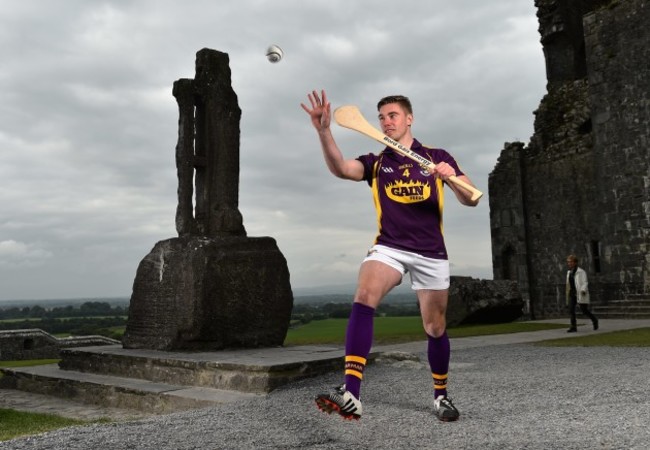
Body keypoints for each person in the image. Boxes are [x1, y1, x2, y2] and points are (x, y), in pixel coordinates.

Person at [300, 90, 480, 422]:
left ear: (409, 118)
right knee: (364, 293)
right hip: (390, 246)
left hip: (430, 252)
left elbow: (472, 199)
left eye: (393, 115)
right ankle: (351, 391)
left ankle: (441, 396)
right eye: (381, 117)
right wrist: (324, 132)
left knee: (435, 326)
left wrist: (450, 179)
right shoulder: (377, 162)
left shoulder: (437, 156)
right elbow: (341, 168)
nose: (386, 121)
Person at [565, 254, 598, 332]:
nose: (569, 263)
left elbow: (585, 282)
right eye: (568, 262)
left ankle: (594, 320)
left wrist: (583, 290)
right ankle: (573, 327)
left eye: (571, 262)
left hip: (580, 293)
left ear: (575, 262)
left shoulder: (581, 272)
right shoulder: (569, 272)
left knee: (584, 310)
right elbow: (568, 283)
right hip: (572, 293)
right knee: (571, 310)